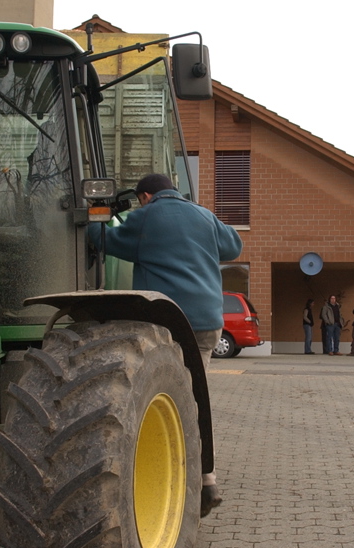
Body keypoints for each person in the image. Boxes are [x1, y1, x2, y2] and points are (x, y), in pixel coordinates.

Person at [87, 173, 242, 517]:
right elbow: (234, 246)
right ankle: (208, 481)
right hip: (207, 323)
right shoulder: (202, 213)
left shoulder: (146, 216)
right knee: (194, 398)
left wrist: (94, 217)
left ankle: (181, 482)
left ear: (145, 196)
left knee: (167, 402)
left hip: (169, 323)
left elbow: (106, 241)